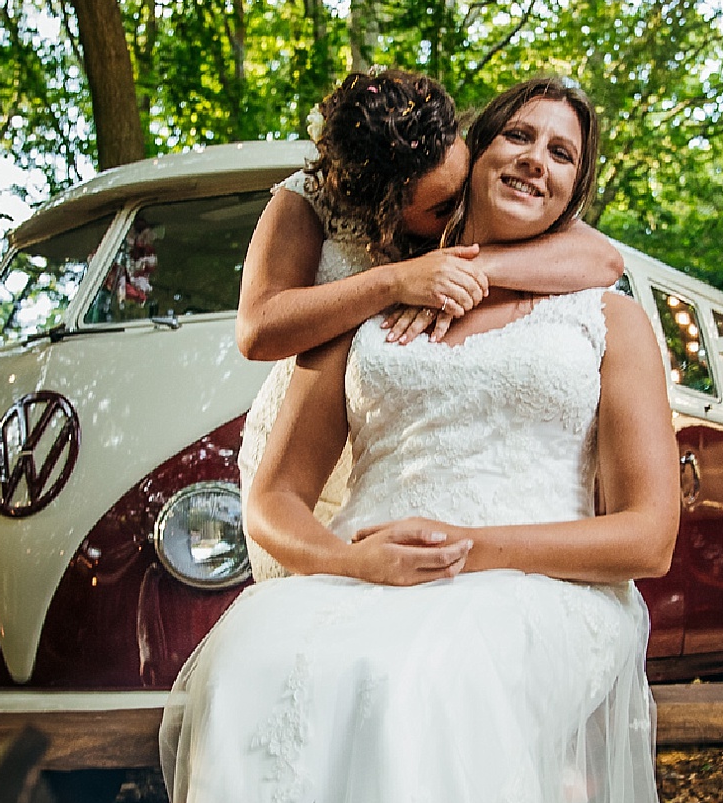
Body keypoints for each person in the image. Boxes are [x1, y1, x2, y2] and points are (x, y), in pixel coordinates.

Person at [164, 77, 679, 803]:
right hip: (364, 572)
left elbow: (650, 537)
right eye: (518, 135)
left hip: (539, 582)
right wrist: (351, 559)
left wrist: (471, 548)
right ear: (471, 156)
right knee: (257, 664)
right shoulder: (372, 295)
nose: (535, 159)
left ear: (576, 195)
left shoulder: (604, 319)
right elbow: (275, 497)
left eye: (562, 154)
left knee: (422, 678)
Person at [234, 66, 623, 579]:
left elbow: (603, 259)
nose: (465, 204)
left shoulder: (466, 177)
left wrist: (476, 267)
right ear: (384, 213)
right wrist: (394, 282)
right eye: (445, 206)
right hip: (323, 415)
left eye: (464, 178)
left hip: (412, 437)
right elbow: (259, 327)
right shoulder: (307, 202)